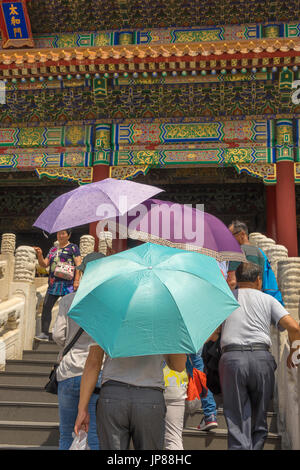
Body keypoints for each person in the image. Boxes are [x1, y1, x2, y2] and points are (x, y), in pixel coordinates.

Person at [218, 262, 300, 450]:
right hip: (262, 359)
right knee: (260, 417)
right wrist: (294, 354)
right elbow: (295, 328)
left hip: (232, 360)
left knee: (237, 418)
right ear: (258, 280)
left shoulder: (226, 299)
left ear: (237, 280)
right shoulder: (268, 299)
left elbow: (214, 333)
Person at [74, 345, 187, 450]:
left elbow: (94, 362)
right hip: (150, 396)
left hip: (113, 394)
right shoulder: (164, 325)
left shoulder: (107, 322)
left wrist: (82, 408)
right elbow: (179, 366)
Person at [52, 251, 105, 450]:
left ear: (83, 272)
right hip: (97, 372)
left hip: (69, 371)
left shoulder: (67, 300)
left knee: (67, 434)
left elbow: (58, 335)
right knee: (94, 435)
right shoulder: (108, 303)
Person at [34, 229, 81, 341]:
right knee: (46, 307)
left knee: (69, 309)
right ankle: (44, 333)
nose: (60, 235)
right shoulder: (53, 249)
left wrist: (77, 280)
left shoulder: (73, 248)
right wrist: (40, 255)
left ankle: (71, 334)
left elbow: (78, 264)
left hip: (68, 284)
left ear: (69, 235)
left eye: (63, 233)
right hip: (53, 283)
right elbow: (44, 264)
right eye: (59, 233)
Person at [228, 220, 284, 305]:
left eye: (231, 236)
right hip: (262, 299)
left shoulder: (237, 252)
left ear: (242, 234)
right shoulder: (261, 252)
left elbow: (232, 282)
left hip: (242, 301)